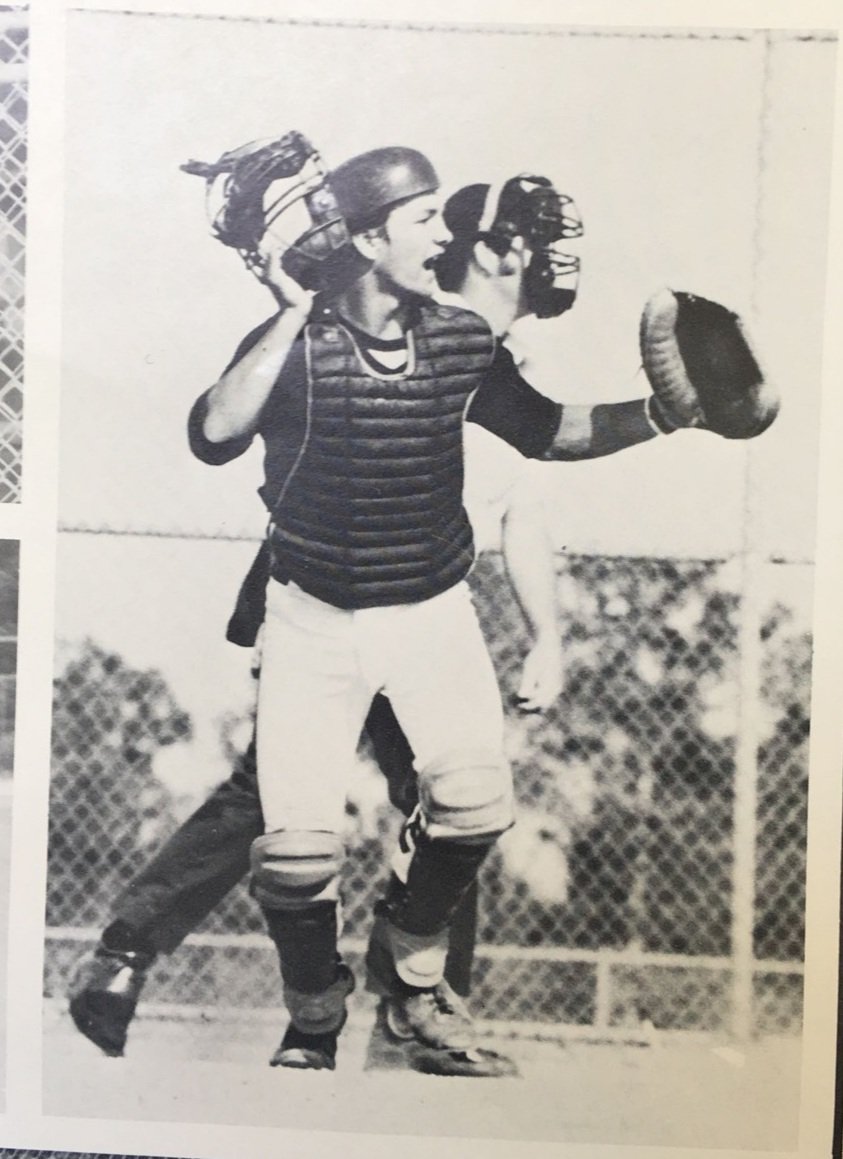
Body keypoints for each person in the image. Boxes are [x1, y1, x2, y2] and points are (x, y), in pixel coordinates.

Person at [68, 147, 671, 1073]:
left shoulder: (477, 349)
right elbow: (223, 435)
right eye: (429, 222)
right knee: (293, 820)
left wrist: (672, 415)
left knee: (453, 803)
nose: (551, 256)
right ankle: (324, 1005)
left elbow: (538, 469)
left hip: (426, 606)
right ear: (493, 248)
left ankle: (410, 1001)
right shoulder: (340, 336)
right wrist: (291, 309)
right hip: (322, 598)